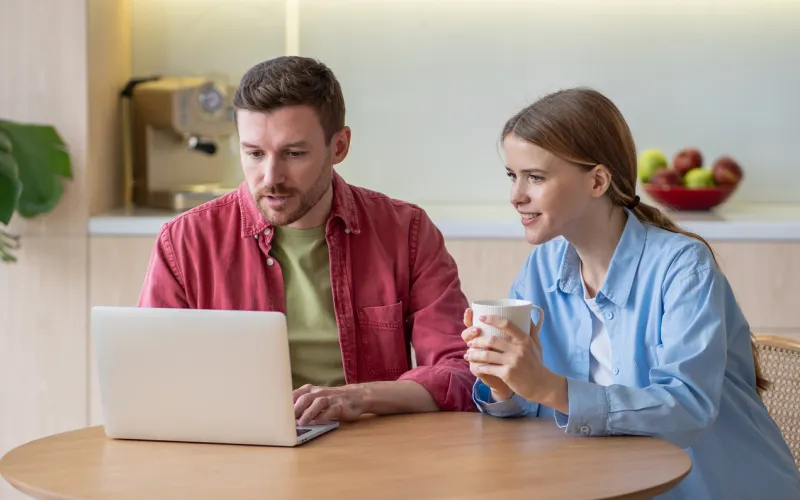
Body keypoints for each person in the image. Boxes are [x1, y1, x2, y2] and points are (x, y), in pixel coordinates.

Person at [461, 87, 800, 499]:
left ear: (597, 181)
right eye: (512, 176)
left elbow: (688, 409)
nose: (516, 196)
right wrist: (503, 384)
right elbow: (538, 408)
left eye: (535, 177)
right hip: (608, 484)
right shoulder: (542, 268)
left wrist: (551, 387)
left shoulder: (682, 267)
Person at [139, 56, 476, 425]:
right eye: (254, 154)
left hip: (371, 445)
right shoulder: (185, 241)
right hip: (235, 447)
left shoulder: (405, 231)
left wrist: (360, 397)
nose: (271, 177)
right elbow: (151, 378)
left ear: (339, 146)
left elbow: (460, 370)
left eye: (293, 153)